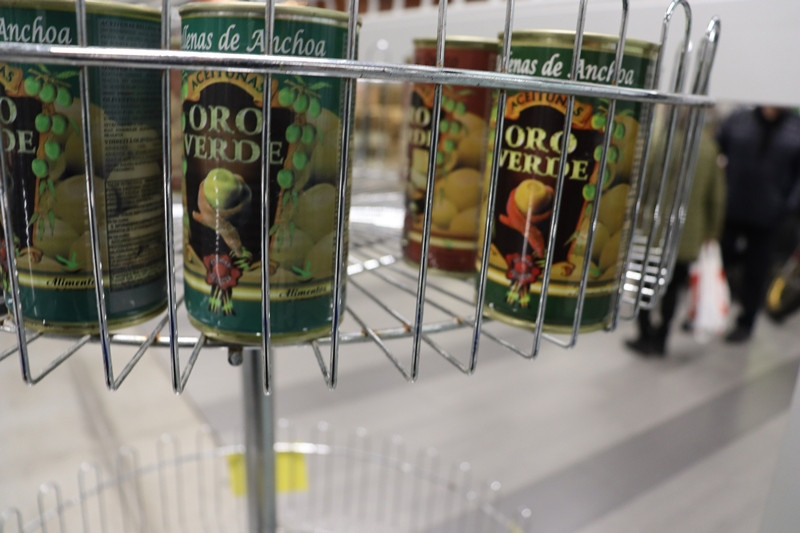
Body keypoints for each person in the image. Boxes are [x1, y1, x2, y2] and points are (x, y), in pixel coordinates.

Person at [626, 115, 726, 357]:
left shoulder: (662, 142)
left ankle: (644, 333)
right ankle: (662, 338)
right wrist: (712, 231)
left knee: (645, 284)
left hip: (654, 230)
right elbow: (717, 197)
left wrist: (635, 216)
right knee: (673, 288)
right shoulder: (709, 148)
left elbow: (644, 182)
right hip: (687, 234)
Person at [716, 106, 800, 342]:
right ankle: (710, 308)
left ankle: (746, 321)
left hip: (769, 215)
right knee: (720, 260)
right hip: (732, 207)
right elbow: (717, 151)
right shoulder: (739, 120)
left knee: (757, 271)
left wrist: (788, 207)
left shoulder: (795, 129)